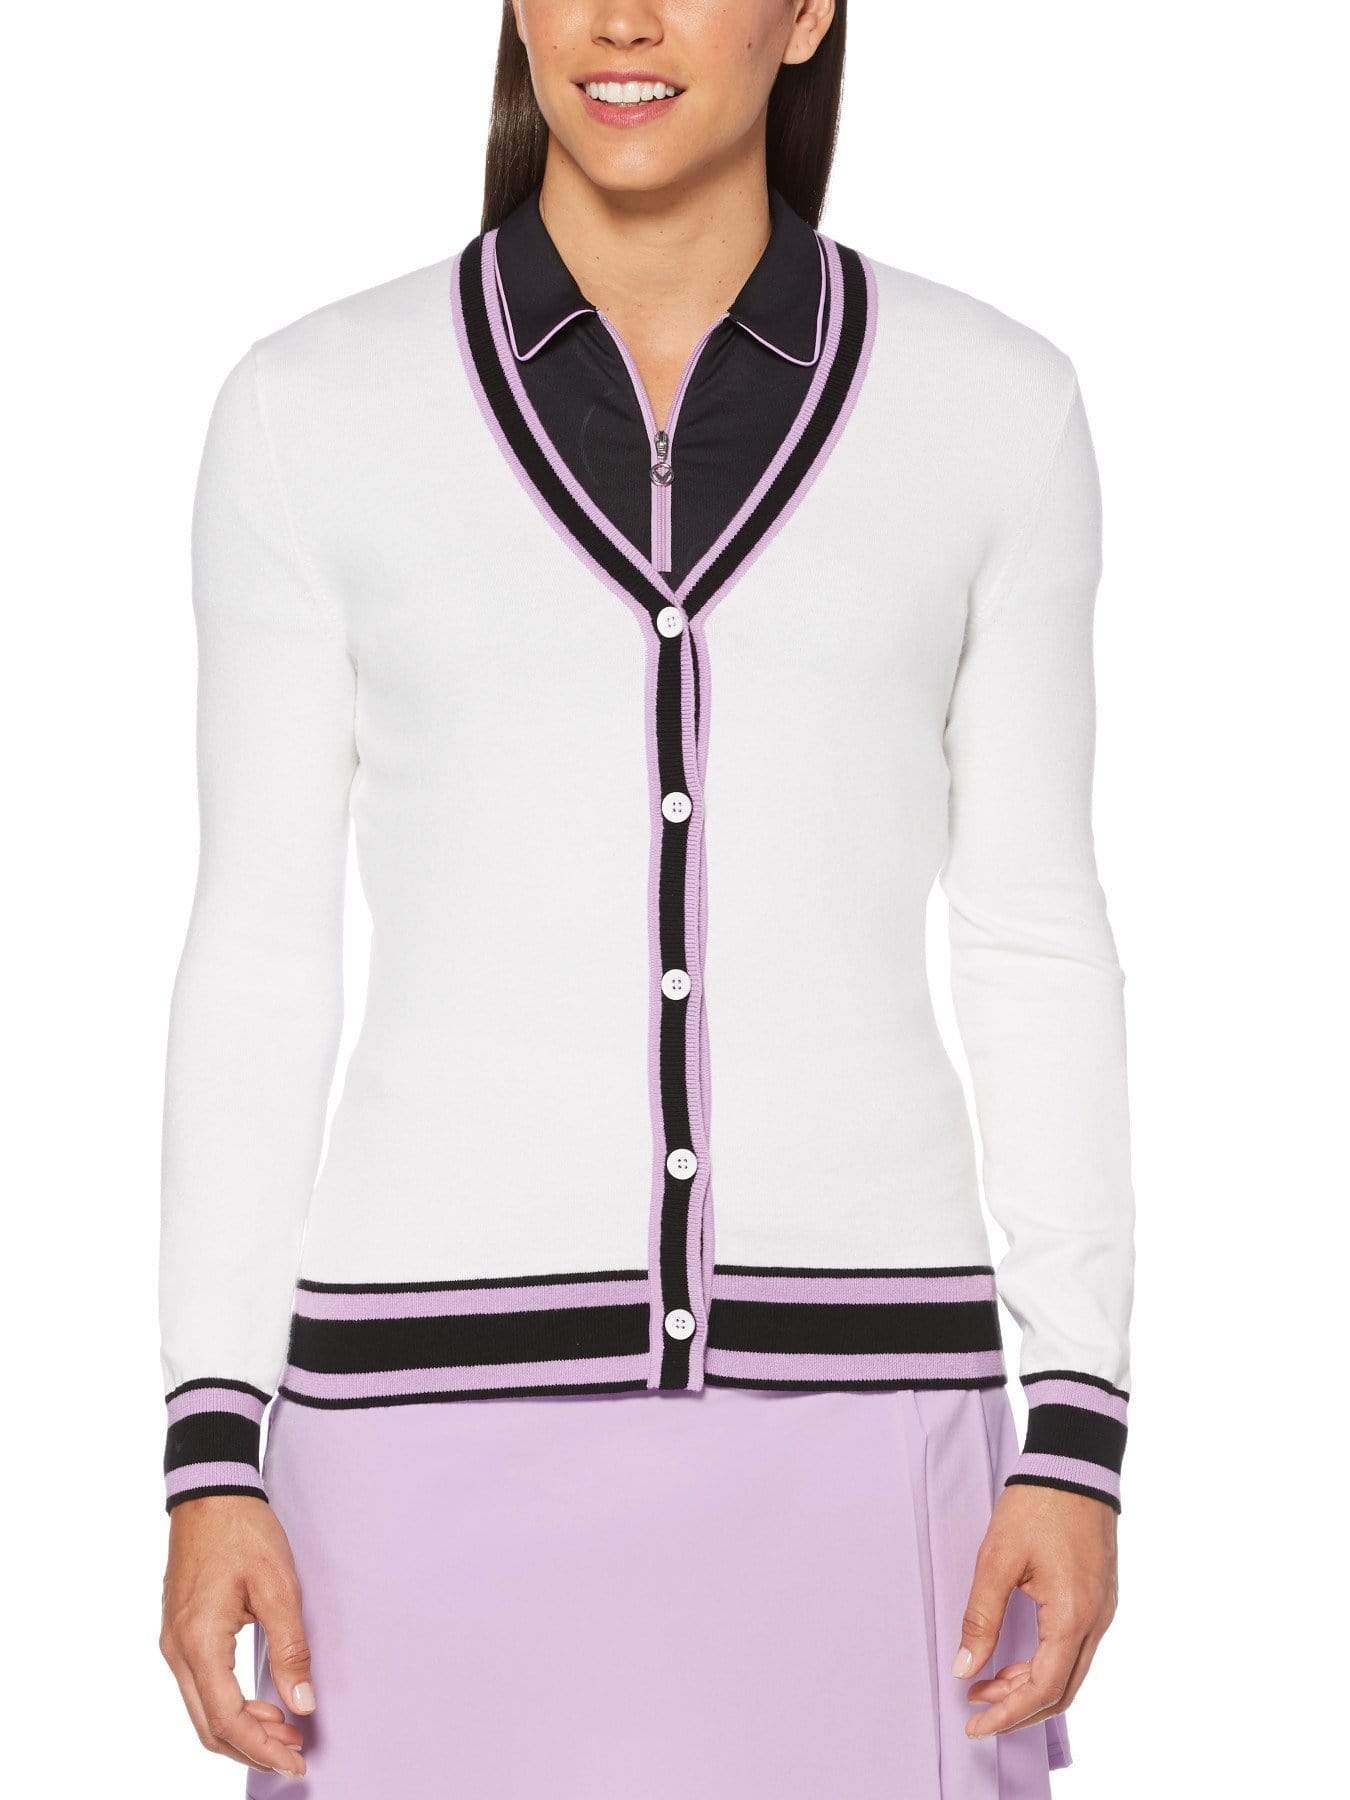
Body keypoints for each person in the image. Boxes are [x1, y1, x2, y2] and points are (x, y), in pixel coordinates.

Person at [158, 4, 1134, 1795]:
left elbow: (1033, 936)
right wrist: (213, 1445)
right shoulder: (313, 410)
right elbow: (259, 952)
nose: (622, 18)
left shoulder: (992, 410)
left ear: (807, 10)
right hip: (410, 1451)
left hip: (871, 1437)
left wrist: (1073, 1431)